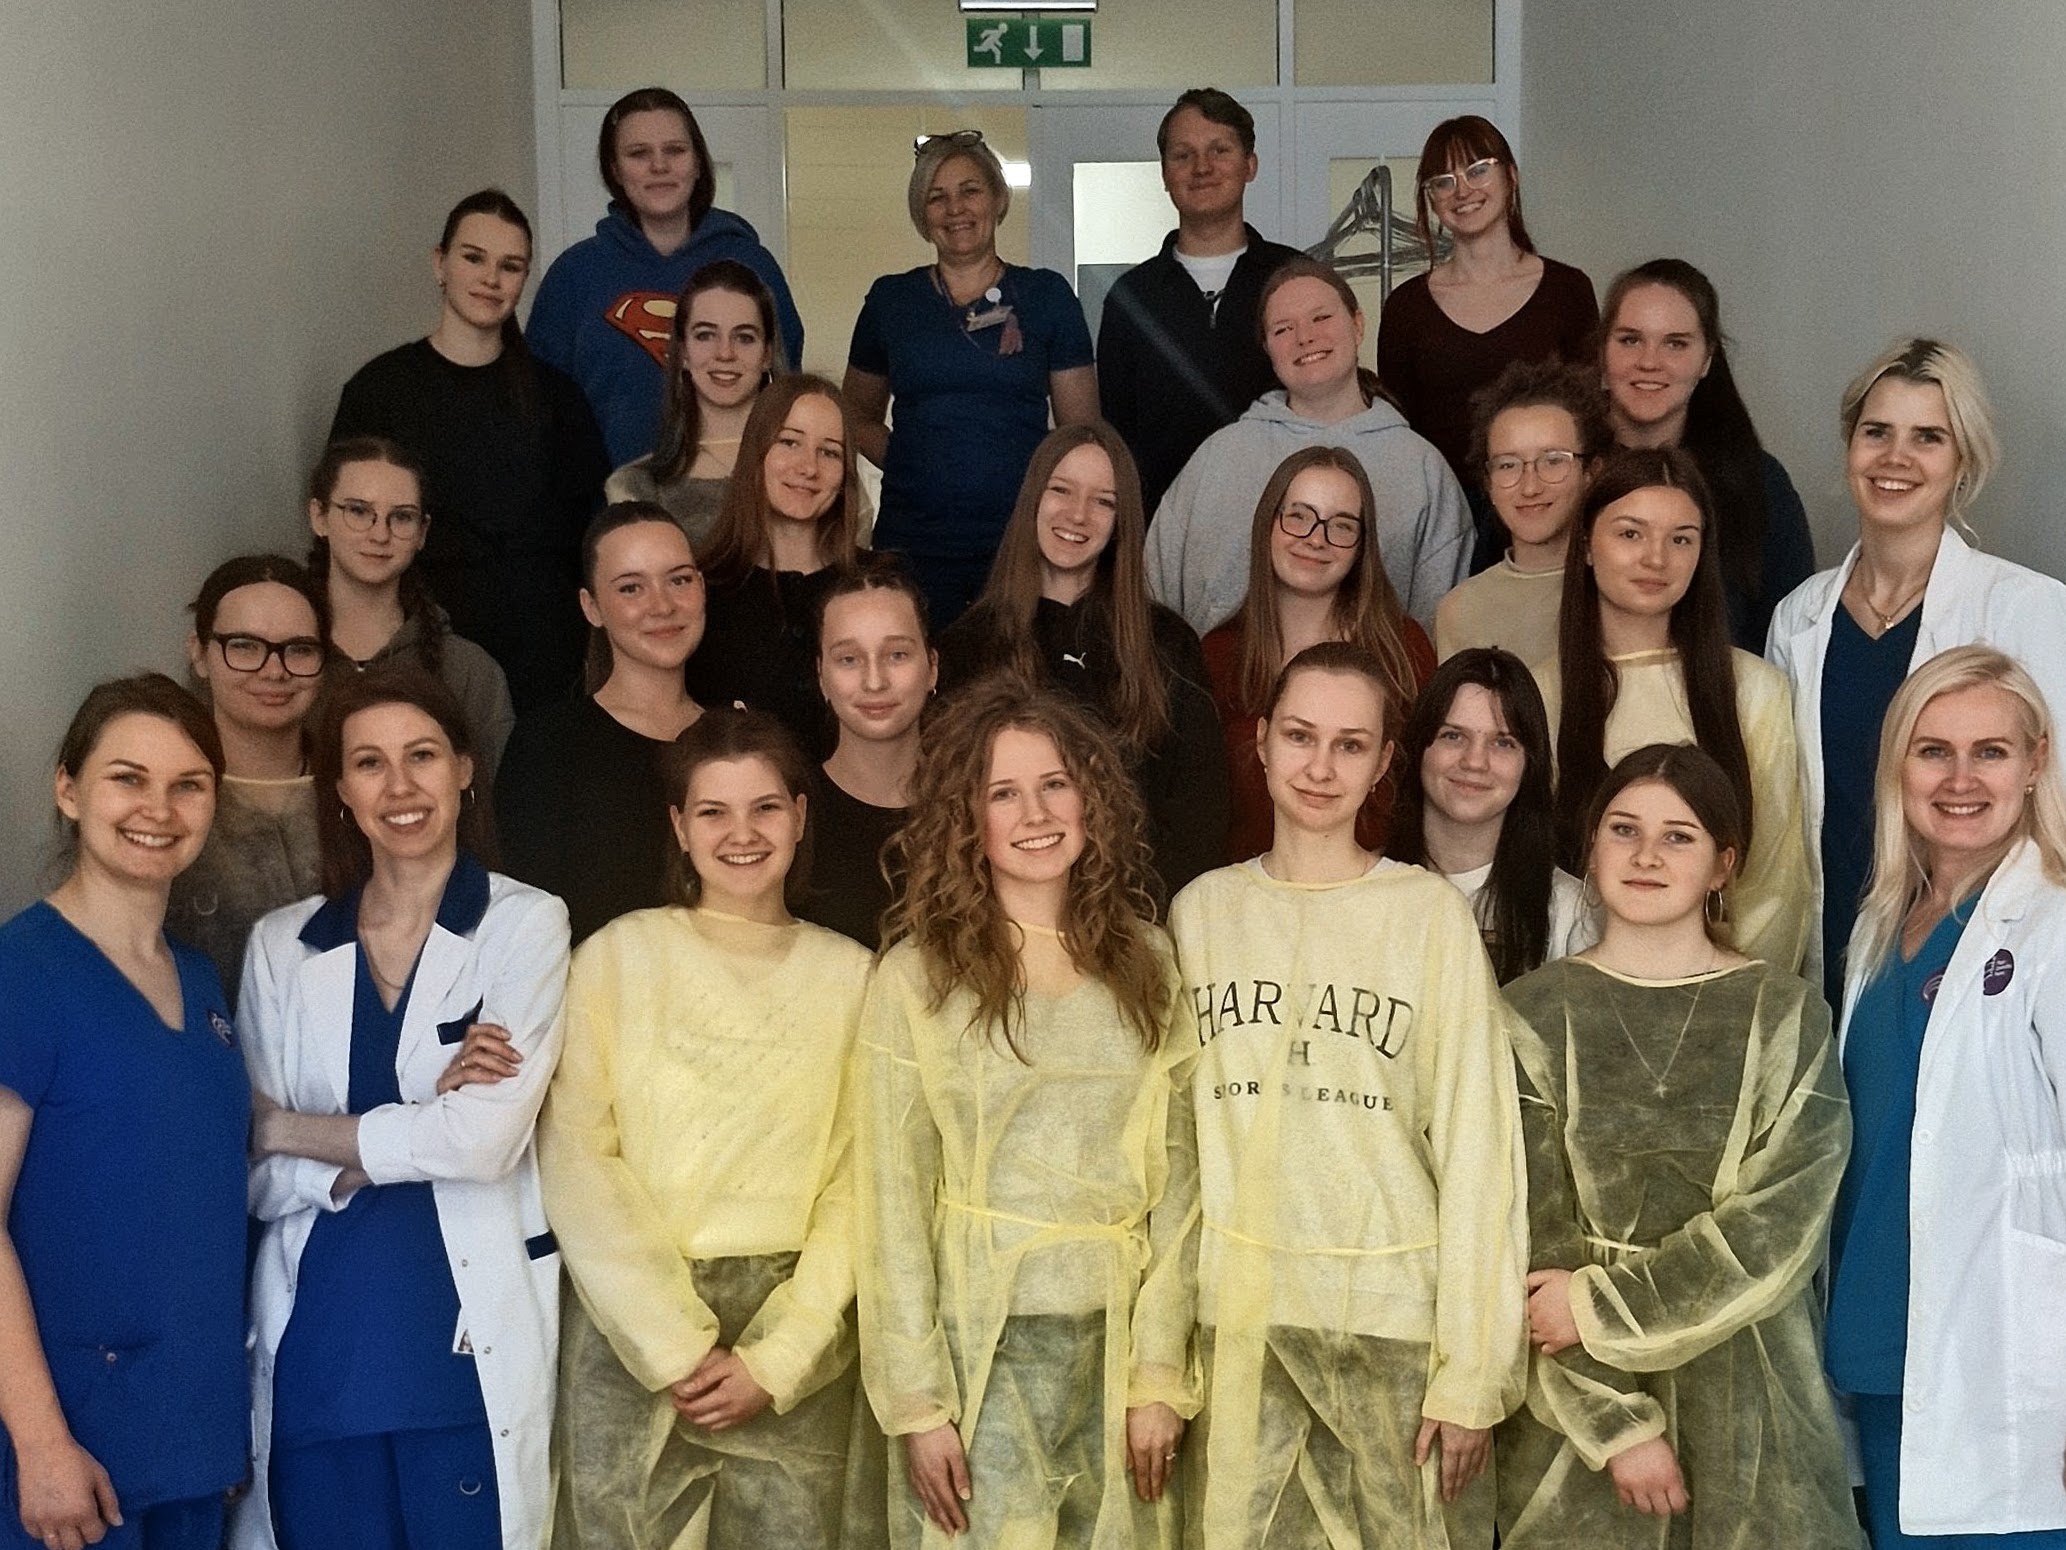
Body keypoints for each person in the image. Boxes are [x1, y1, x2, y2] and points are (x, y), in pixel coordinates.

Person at [1167, 640, 1528, 1548]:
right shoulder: (1202, 913)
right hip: (1237, 1321)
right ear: (1259, 743)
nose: (1321, 767)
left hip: (1391, 1325)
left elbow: (1479, 1148)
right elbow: (1173, 1161)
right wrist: (1158, 1361)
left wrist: (1472, 1370)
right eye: (1300, 736)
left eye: (1350, 744)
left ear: (1383, 763)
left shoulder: (1427, 916)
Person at [856, 677, 1197, 1547]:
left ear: (1092, 800)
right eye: (1002, 792)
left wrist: (1159, 1375)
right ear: (965, 818)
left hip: (1117, 1338)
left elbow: (1181, 1186)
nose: (1036, 813)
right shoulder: (919, 978)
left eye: (1054, 784)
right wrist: (918, 1402)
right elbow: (892, 1200)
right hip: (978, 1344)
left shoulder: (1149, 963)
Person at [235, 666, 569, 1550]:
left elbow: (485, 1143)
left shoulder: (523, 924)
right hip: (321, 1355)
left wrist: (291, 1128)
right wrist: (423, 1123)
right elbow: (255, 1178)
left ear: (464, 768)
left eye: (422, 756)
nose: (400, 786)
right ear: (340, 790)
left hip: (458, 1351)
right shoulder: (282, 946)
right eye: (369, 763)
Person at [539, 707, 882, 1549]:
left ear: (800, 816)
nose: (742, 833)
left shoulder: (855, 979)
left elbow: (864, 1180)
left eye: (765, 807)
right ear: (678, 827)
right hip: (633, 1330)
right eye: (713, 811)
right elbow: (577, 1157)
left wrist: (782, 1356)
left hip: (794, 1333)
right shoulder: (616, 959)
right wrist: (671, 1345)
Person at [1497, 743, 1856, 1545]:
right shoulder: (1529, 1014)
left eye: (1679, 836)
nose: (1647, 855)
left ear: (1724, 863)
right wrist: (1617, 1425)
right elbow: (1530, 1246)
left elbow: (1781, 1225)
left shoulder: (1784, 1013)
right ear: (1590, 848)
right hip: (1580, 1414)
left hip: (1751, 1392)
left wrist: (1599, 1305)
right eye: (1624, 830)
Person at [1826, 646, 2066, 1546]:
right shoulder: (1881, 925)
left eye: (1990, 752)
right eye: (1934, 751)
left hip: (2010, 1375)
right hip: (1886, 1349)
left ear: (2035, 762)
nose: (1960, 779)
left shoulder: (2052, 921)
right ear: (1899, 766)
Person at [0, 676, 247, 1550]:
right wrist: (40, 1444)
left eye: (188, 785)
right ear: (68, 790)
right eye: (128, 779)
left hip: (190, 1440)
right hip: (68, 1455)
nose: (159, 810)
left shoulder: (201, 980)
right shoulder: (22, 973)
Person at [1767, 337, 2066, 1007]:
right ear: (1851, 446)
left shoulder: (2025, 608)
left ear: (1962, 462)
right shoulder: (1797, 618)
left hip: (1977, 956)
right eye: (1877, 432)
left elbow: (2057, 805)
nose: (1895, 458)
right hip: (1831, 946)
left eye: (1928, 437)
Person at [332, 189, 609, 712]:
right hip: (422, 651)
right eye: (474, 258)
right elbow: (347, 536)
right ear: (440, 264)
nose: (491, 279)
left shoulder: (559, 399)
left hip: (545, 655)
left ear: (524, 279)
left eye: (510, 266)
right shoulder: (380, 391)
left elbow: (588, 539)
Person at [1539, 446, 1811, 972]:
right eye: (1631, 534)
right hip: (1577, 990)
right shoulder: (1541, 693)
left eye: (1681, 539)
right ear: (1587, 545)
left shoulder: (1755, 690)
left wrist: (1717, 990)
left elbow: (1778, 882)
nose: (1656, 559)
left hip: (1723, 993)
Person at [939, 423, 1229, 903]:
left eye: (1103, 501)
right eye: (1061, 490)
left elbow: (1200, 808)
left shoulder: (1167, 641)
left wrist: (1144, 918)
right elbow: (951, 810)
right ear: (1033, 497)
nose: (1078, 514)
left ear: (1121, 520)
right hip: (1001, 914)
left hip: (1140, 912)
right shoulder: (967, 645)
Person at [843, 130, 1098, 627]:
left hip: (1020, 542)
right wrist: (912, 459)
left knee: (1015, 670)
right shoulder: (892, 301)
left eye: (970, 190)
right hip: (912, 542)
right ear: (922, 213)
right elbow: (853, 414)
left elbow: (1081, 433)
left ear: (998, 199)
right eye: (936, 197)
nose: (955, 208)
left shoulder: (1046, 297)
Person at [1146, 255, 1471, 634]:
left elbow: (1440, 628)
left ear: (1357, 324)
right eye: (1283, 329)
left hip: (1372, 673)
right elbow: (1155, 599)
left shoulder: (1422, 469)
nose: (1305, 337)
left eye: (1321, 318)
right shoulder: (1216, 457)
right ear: (1267, 347)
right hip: (1221, 672)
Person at [529, 88, 805, 468]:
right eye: (638, 153)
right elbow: (540, 413)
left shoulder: (752, 266)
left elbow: (786, 394)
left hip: (738, 494)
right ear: (614, 169)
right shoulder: (574, 275)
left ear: (698, 162)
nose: (659, 166)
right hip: (607, 499)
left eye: (675, 150)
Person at [1377, 115, 1599, 571]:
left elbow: (1589, 416)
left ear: (1510, 176)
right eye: (1443, 181)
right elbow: (1398, 435)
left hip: (1547, 508)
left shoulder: (1569, 289)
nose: (1462, 190)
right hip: (1440, 521)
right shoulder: (1405, 307)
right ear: (1431, 200)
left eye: (1478, 170)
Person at [1198, 445, 1432, 861]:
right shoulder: (1217, 655)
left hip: (1376, 888)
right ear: (1268, 523)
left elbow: (1427, 794)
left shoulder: (1403, 649)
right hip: (1243, 886)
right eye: (1299, 517)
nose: (1316, 539)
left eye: (1341, 526)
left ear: (1362, 545)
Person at [496, 503, 706, 946]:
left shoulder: (738, 739)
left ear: (702, 587)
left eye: (679, 580)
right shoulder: (547, 746)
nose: (662, 605)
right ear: (591, 607)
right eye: (631, 588)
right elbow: (531, 925)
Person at [1095, 88, 1300, 515]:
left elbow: (1329, 403)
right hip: (1159, 529)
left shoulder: (1297, 280)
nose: (1202, 167)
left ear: (1250, 165)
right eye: (1183, 155)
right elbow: (1116, 437)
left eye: (1219, 150)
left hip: (1287, 527)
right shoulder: (1131, 297)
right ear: (1164, 174)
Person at [1598, 258, 1814, 652]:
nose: (1649, 361)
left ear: (1707, 359)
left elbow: (1790, 637)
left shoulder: (1759, 484)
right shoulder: (1557, 469)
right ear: (1603, 349)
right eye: (1630, 339)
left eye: (1675, 344)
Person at [168, 555, 328, 1008]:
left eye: (300, 649)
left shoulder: (361, 792)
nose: (274, 671)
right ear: (199, 653)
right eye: (244, 646)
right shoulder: (162, 804)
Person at [305, 438, 515, 780]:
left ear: (422, 532)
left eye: (402, 517)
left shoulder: (470, 671)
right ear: (319, 517)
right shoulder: (274, 662)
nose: (380, 534)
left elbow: (489, 801)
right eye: (358, 511)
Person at [685, 375, 864, 755]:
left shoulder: (877, 585)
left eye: (829, 452)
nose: (809, 467)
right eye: (789, 442)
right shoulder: (700, 590)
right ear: (756, 452)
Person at [1391, 647, 1595, 981]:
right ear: (1419, 748)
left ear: (1529, 763)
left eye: (1503, 742)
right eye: (1453, 736)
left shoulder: (1571, 911)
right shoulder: (1365, 884)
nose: (1474, 761)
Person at [1432, 358, 1611, 665]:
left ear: (1591, 473)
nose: (1530, 487)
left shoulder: (1622, 588)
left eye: (1553, 461)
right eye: (1508, 465)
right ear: (1488, 484)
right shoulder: (1460, 609)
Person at [803, 555, 936, 950]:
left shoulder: (977, 808)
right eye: (848, 659)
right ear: (821, 676)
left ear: (932, 667)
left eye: (897, 654)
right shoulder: (788, 814)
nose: (874, 681)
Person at [604, 259, 785, 549]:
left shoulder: (815, 468)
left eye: (744, 337)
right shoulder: (635, 487)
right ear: (683, 351)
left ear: (767, 354)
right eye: (705, 335)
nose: (725, 353)